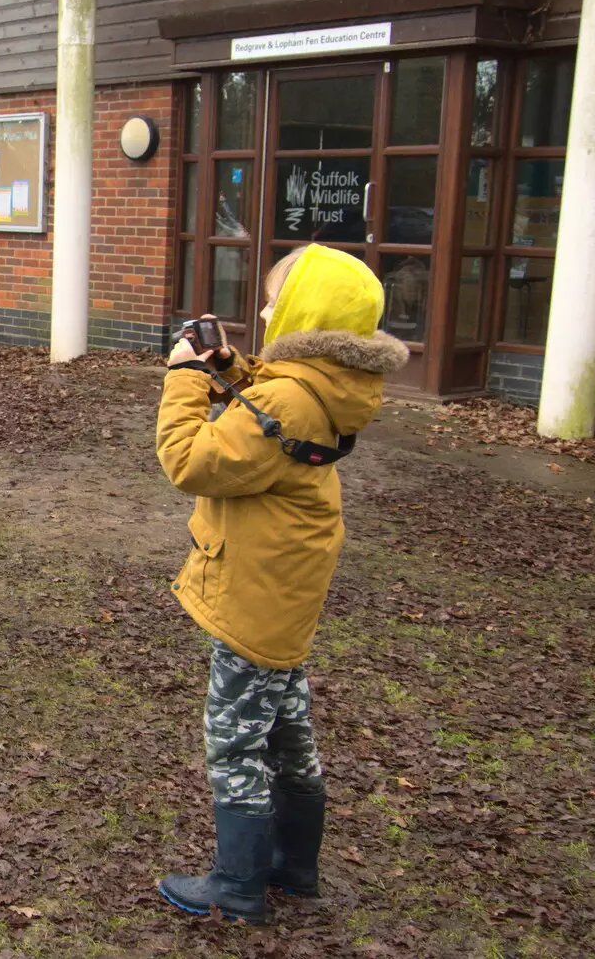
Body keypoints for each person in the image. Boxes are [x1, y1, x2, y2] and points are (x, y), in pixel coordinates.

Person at [155, 244, 408, 924]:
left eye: (273, 300)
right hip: (287, 587)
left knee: (235, 738)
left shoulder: (289, 399)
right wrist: (230, 369)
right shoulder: (326, 381)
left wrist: (184, 378)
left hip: (256, 593)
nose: (263, 310)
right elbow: (275, 401)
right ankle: (294, 866)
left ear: (305, 312)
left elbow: (192, 460)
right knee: (287, 730)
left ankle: (237, 884)